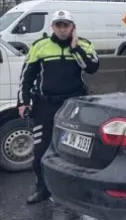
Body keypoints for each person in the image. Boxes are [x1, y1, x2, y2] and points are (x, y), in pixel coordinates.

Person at [17, 10, 100, 204]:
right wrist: (23, 102)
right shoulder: (40, 46)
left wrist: (75, 48)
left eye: (66, 25)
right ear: (52, 27)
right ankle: (42, 188)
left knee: (77, 152)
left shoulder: (84, 45)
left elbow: (92, 68)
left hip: (74, 105)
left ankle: (75, 190)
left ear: (72, 27)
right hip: (45, 104)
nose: (62, 29)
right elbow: (26, 77)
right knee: (41, 150)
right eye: (58, 25)